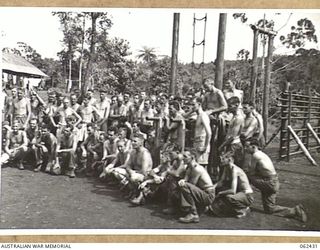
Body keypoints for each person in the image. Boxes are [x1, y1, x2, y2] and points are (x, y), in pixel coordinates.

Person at [245, 140, 307, 222]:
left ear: (253, 147)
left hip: (269, 183)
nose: (245, 148)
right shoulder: (261, 154)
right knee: (269, 209)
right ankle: (296, 210)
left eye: (247, 146)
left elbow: (251, 172)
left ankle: (242, 202)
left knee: (247, 176)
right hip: (272, 182)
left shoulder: (256, 155)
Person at [207, 153, 254, 218]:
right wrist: (212, 187)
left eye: (223, 159)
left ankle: (244, 208)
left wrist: (220, 193)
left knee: (229, 197)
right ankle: (230, 207)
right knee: (218, 189)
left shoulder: (234, 170)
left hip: (247, 195)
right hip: (239, 193)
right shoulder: (226, 167)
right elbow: (221, 182)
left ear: (229, 160)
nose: (221, 160)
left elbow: (232, 190)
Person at [177, 150, 216, 223]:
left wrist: (183, 182)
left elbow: (191, 185)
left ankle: (194, 213)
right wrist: (182, 180)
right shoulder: (189, 167)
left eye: (185, 156)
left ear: (192, 157)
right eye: (183, 156)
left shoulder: (197, 169)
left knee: (185, 186)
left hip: (208, 195)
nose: (183, 158)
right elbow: (185, 179)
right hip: (202, 192)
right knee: (182, 184)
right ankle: (199, 207)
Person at [121, 136, 153, 200]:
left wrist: (133, 172)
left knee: (133, 177)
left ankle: (140, 194)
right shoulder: (133, 152)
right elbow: (128, 165)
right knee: (119, 172)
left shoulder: (145, 153)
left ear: (141, 143)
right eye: (132, 141)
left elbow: (144, 171)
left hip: (145, 175)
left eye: (135, 141)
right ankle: (133, 191)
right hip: (135, 172)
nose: (132, 143)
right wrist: (130, 171)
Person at [219, 96, 244, 169]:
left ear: (236, 105)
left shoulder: (239, 118)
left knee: (231, 166)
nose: (228, 108)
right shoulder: (233, 117)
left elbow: (233, 136)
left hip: (234, 145)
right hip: (230, 144)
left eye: (230, 106)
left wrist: (222, 146)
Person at [192, 97, 212, 167]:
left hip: (202, 143)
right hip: (197, 142)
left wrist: (205, 146)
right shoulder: (198, 116)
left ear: (199, 104)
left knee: (202, 166)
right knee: (196, 166)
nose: (191, 107)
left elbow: (209, 132)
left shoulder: (203, 115)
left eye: (193, 105)